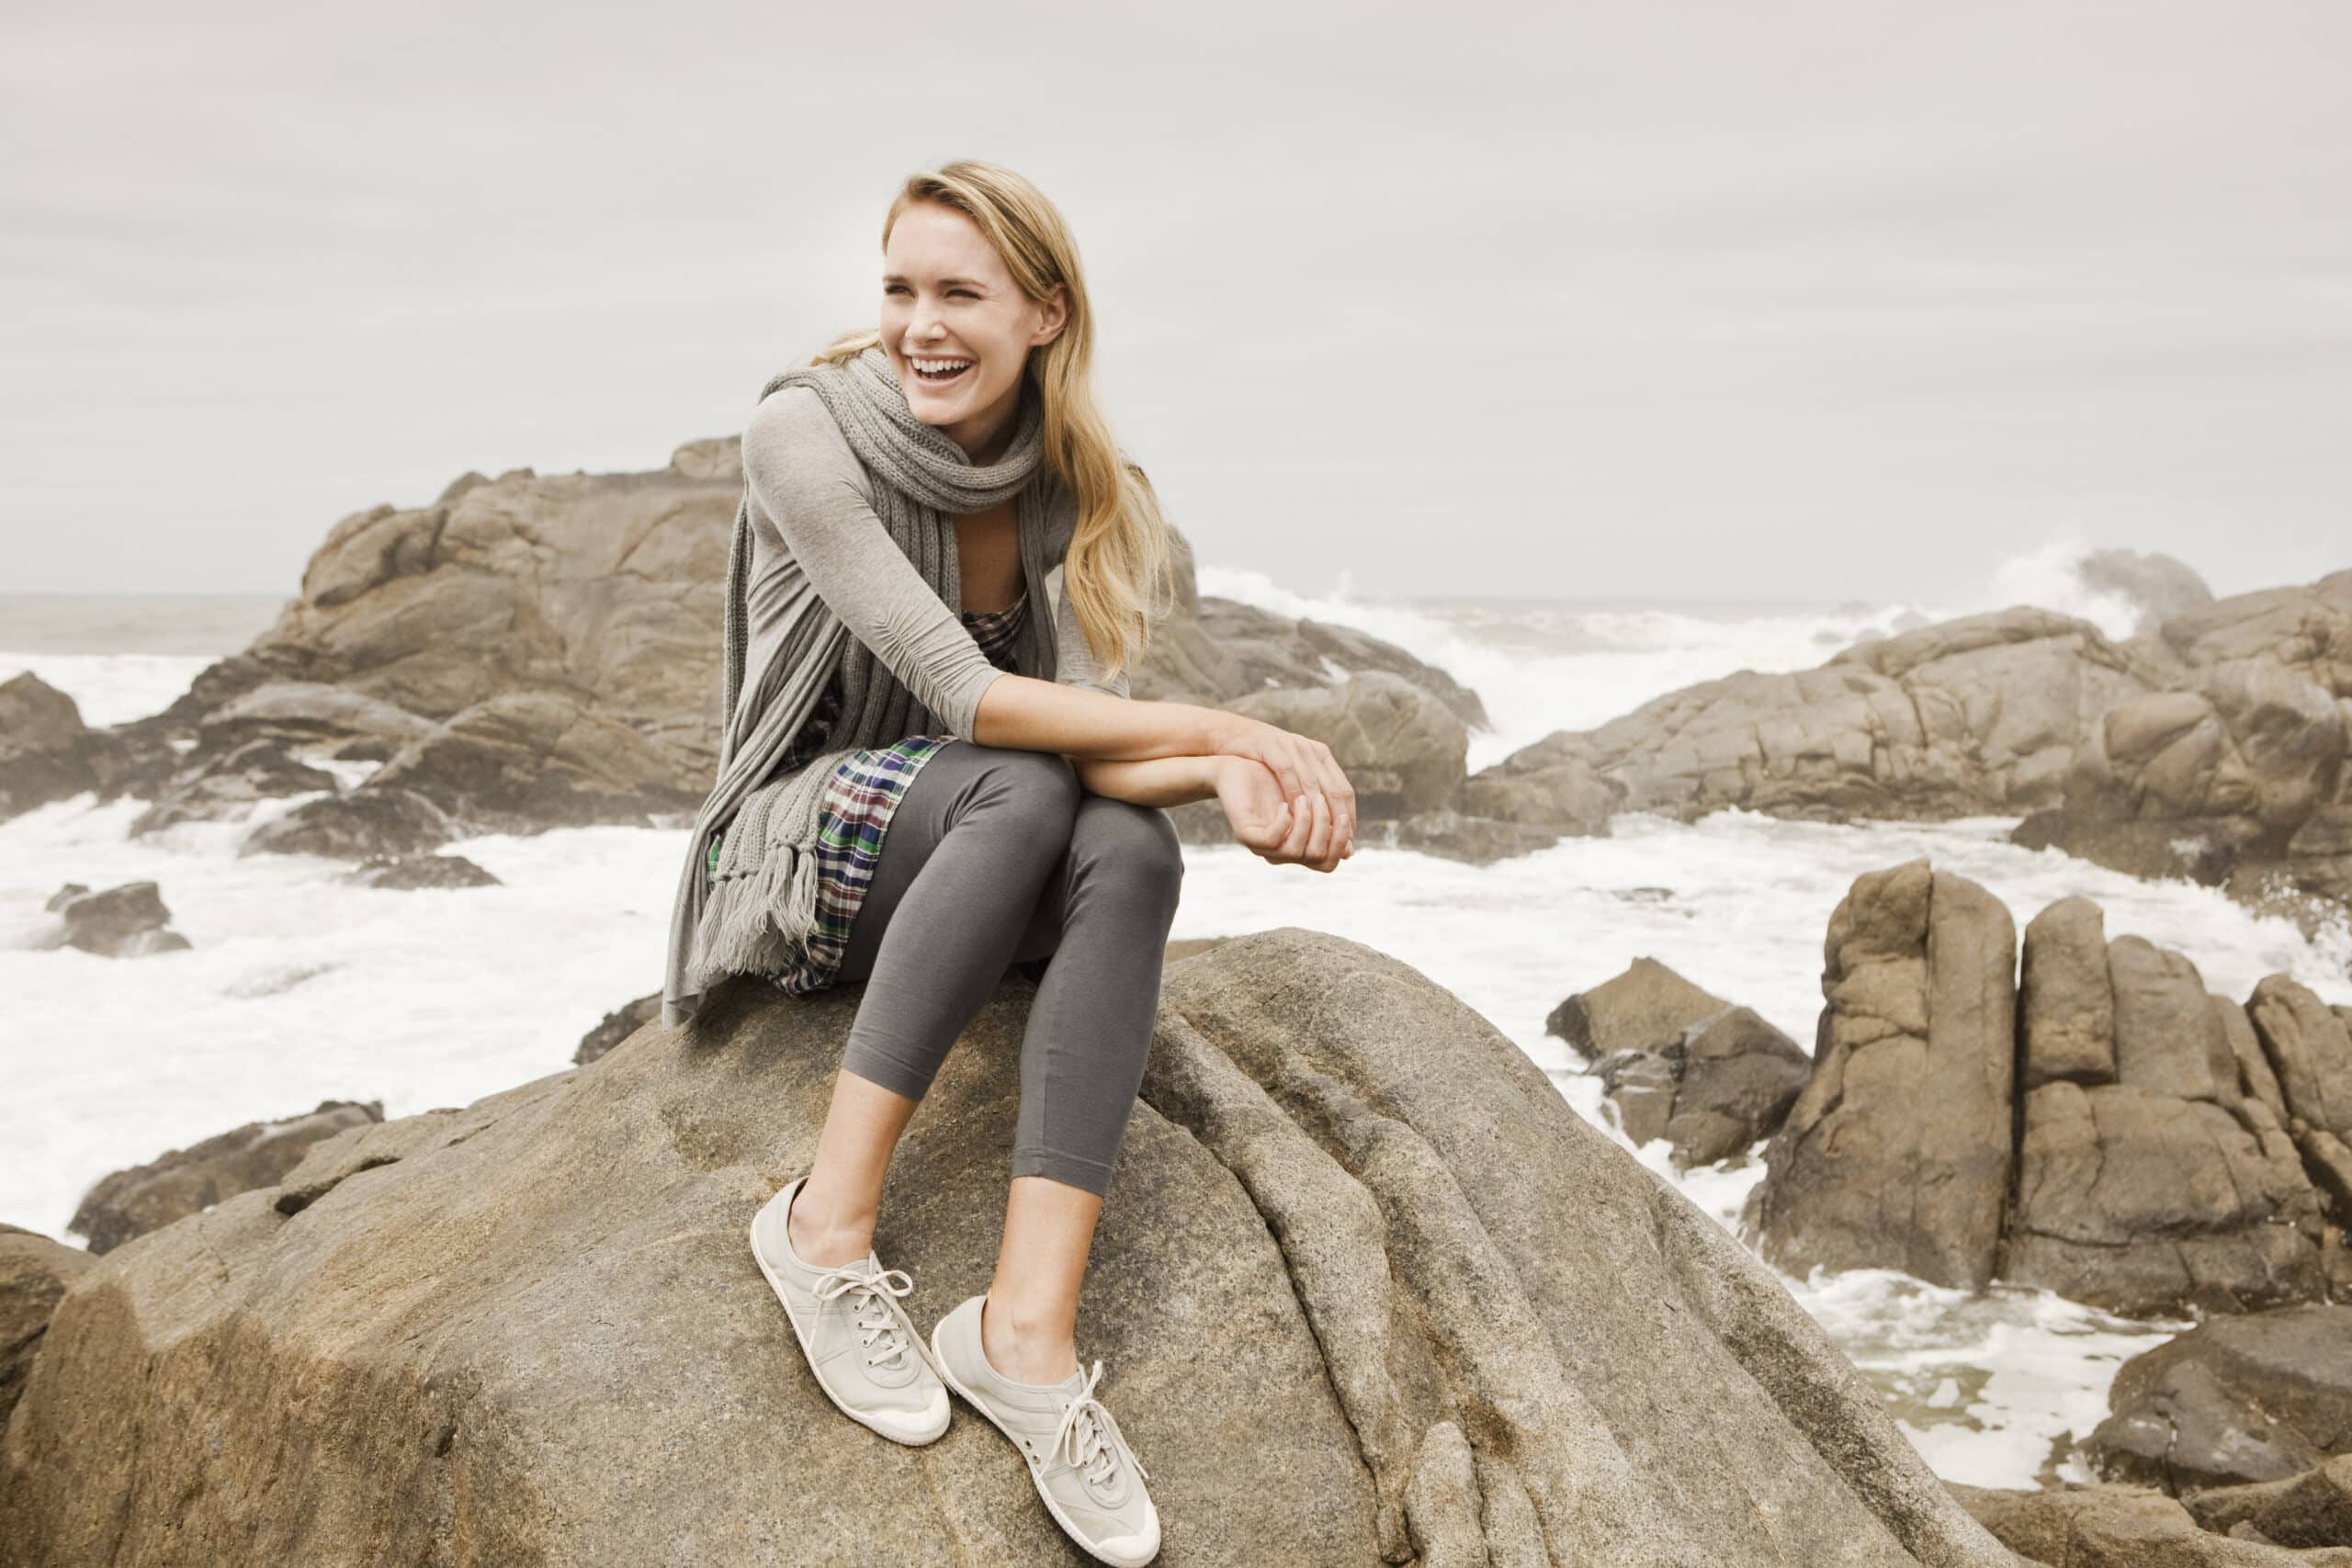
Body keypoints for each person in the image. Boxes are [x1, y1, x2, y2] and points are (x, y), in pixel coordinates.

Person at [677, 161, 1356, 1567]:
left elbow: (1087, 759)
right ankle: (823, 1224)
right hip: (798, 845)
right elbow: (962, 693)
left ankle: (1022, 1336)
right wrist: (1232, 723)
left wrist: (1226, 779)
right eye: (901, 288)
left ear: (1043, 316)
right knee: (1032, 792)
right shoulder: (804, 432)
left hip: (979, 822)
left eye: (959, 295)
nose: (919, 325)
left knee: (1129, 841)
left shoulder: (1059, 481)